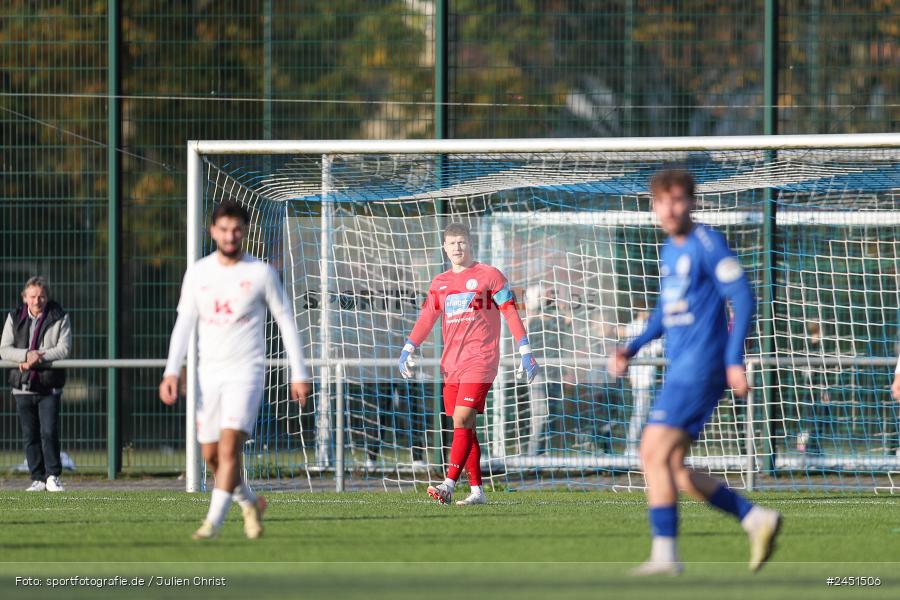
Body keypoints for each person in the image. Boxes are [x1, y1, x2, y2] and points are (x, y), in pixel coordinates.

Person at [608, 169, 781, 575]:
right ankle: (755, 519)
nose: (670, 208)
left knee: (651, 450)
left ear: (692, 202)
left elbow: (743, 297)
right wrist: (630, 348)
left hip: (701, 365)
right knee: (673, 467)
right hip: (682, 366)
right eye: (661, 200)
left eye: (678, 199)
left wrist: (734, 359)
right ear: (653, 206)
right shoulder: (670, 250)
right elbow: (663, 315)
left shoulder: (707, 242)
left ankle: (665, 556)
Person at [160, 200, 312, 540]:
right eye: (224, 229)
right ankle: (250, 503)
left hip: (246, 372)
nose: (230, 235)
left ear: (244, 232)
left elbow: (286, 321)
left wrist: (298, 372)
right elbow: (183, 324)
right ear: (213, 231)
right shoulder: (198, 272)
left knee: (230, 450)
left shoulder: (261, 273)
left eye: (237, 229)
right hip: (207, 375)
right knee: (212, 457)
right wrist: (172, 371)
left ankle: (211, 525)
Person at [398, 222, 539, 506]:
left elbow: (510, 312)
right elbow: (427, 317)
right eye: (451, 243)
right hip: (451, 364)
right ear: (444, 247)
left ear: (470, 243)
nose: (457, 248)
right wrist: (409, 346)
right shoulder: (440, 283)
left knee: (462, 418)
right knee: (465, 427)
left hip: (482, 360)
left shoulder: (490, 275)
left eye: (461, 242)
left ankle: (448, 484)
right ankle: (477, 491)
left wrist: (525, 349)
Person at [1, 276, 72, 492]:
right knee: (30, 434)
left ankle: (53, 476)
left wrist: (38, 356)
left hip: (49, 385)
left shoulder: (59, 316)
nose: (37, 300)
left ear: (46, 297)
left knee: (49, 431)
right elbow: (4, 349)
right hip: (22, 386)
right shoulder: (14, 317)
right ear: (25, 298)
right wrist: (25, 355)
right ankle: (38, 478)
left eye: (41, 296)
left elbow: (64, 349)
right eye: (32, 296)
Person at [621, 299, 664, 456]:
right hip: (640, 378)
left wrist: (650, 348)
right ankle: (630, 448)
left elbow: (659, 347)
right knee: (640, 413)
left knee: (647, 413)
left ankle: (642, 447)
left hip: (649, 376)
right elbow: (628, 350)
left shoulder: (651, 326)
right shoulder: (632, 326)